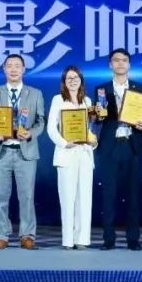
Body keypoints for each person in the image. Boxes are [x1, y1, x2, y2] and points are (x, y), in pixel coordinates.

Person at [0, 54, 46, 249]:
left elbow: (41, 121)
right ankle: (1, 235)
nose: (13, 69)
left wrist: (30, 133)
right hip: (1, 150)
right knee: (0, 196)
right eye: (9, 66)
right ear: (4, 69)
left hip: (25, 151)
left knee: (27, 196)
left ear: (23, 69)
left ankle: (27, 235)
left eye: (17, 66)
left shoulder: (35, 93)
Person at [92, 48, 142, 250]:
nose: (120, 63)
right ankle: (109, 239)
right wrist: (96, 115)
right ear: (110, 64)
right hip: (110, 146)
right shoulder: (101, 89)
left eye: (124, 60)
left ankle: (133, 239)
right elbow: (98, 119)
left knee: (133, 195)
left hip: (133, 145)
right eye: (116, 60)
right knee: (108, 194)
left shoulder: (139, 88)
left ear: (129, 64)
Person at [47, 66, 96, 249]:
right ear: (64, 82)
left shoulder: (87, 101)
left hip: (84, 153)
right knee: (67, 198)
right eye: (69, 78)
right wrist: (64, 143)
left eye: (76, 78)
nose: (73, 81)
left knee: (85, 198)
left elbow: (89, 129)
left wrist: (93, 142)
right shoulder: (58, 100)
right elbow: (51, 128)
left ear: (81, 80)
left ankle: (82, 239)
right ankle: (68, 240)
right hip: (66, 153)